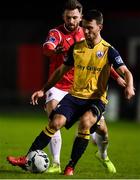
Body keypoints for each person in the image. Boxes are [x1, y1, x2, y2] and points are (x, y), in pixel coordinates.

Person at [7, 9, 135, 176]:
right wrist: (42, 89)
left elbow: (126, 71)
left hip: (95, 100)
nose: (86, 31)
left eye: (90, 28)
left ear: (100, 27)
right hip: (74, 96)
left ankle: (72, 166)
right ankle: (28, 157)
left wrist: (129, 86)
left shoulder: (108, 50)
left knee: (87, 123)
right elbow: (60, 71)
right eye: (84, 27)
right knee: (55, 122)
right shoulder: (76, 48)